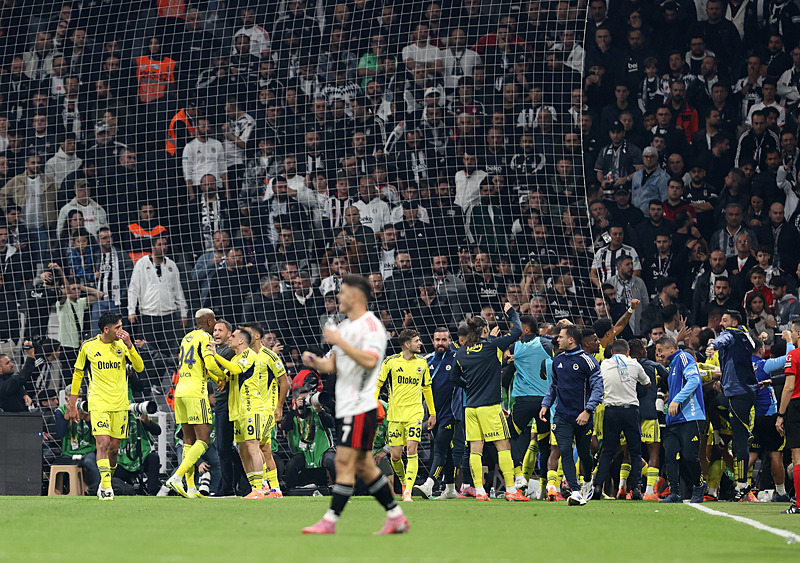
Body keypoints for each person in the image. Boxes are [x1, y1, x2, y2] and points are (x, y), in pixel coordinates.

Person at [301, 274, 408, 535]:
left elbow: (371, 361)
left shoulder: (371, 327)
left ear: (357, 296)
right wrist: (315, 361)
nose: (339, 297)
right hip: (345, 406)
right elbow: (332, 364)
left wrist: (339, 342)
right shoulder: (346, 327)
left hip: (361, 406)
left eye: (343, 292)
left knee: (345, 462)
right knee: (363, 466)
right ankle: (395, 516)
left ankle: (329, 520)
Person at [450, 302, 529, 502]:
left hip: (470, 408)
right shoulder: (493, 346)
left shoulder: (461, 353)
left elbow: (453, 378)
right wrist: (511, 312)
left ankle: (479, 491)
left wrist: (467, 386)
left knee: (475, 449)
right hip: (490, 408)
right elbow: (518, 330)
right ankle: (511, 490)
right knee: (503, 446)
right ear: (485, 329)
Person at [66, 312, 145, 500]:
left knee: (114, 448)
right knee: (103, 443)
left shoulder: (122, 346)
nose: (121, 330)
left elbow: (140, 368)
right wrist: (72, 404)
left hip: (120, 403)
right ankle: (108, 488)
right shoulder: (89, 347)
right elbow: (78, 375)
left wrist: (130, 346)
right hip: (98, 402)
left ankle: (104, 481)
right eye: (117, 327)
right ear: (106, 329)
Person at [540, 324, 603, 505]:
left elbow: (598, 387)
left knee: (584, 454)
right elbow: (553, 387)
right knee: (565, 451)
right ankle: (575, 492)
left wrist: (588, 410)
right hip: (562, 416)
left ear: (571, 339)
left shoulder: (587, 360)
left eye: (560, 336)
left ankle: (587, 481)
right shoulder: (558, 360)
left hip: (582, 417)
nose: (557, 339)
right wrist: (546, 404)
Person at [205, 327, 268, 499]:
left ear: (241, 341)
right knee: (242, 450)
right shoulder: (236, 358)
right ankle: (255, 488)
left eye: (233, 336)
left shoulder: (249, 355)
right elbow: (222, 375)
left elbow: (235, 370)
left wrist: (215, 354)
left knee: (253, 447)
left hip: (251, 408)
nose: (230, 338)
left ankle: (262, 487)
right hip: (238, 412)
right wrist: (207, 362)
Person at [165, 309, 221, 498]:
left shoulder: (186, 338)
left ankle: (190, 488)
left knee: (188, 440)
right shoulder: (205, 338)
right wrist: (221, 377)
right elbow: (211, 364)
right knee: (204, 439)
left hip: (180, 392)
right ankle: (177, 477)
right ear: (209, 321)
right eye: (213, 321)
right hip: (196, 393)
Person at [376, 328, 436, 502]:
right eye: (417, 341)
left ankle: (408, 490)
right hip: (395, 415)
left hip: (415, 414)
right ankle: (404, 482)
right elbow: (378, 385)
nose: (420, 343)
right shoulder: (391, 362)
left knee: (412, 449)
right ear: (407, 344)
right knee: (395, 456)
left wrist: (432, 413)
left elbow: (427, 389)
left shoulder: (422, 363)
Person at [705, 310, 758, 501]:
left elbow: (722, 340)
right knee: (715, 404)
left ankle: (742, 484)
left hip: (739, 394)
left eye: (725, 320)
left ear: (734, 322)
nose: (721, 323)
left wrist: (712, 346)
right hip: (740, 392)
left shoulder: (733, 333)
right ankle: (720, 434)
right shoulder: (746, 335)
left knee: (740, 440)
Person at [592, 339, 651, 500]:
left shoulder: (604, 364)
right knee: (635, 452)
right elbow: (647, 382)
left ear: (611, 352)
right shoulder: (634, 364)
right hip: (630, 411)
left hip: (611, 411)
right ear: (628, 352)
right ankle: (636, 488)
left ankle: (597, 487)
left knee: (608, 451)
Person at [655, 334, 706, 504]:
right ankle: (675, 493)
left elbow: (694, 380)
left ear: (671, 348)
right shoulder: (672, 366)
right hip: (673, 420)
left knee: (689, 456)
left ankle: (699, 486)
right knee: (669, 456)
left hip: (691, 417)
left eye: (660, 350)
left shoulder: (684, 357)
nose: (659, 354)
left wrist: (676, 399)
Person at [507, 314, 554, 496]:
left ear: (525, 330)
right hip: (545, 401)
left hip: (524, 400)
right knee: (544, 445)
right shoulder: (547, 345)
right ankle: (543, 488)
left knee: (510, 437)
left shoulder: (516, 348)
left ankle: (519, 477)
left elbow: (504, 372)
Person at [415, 327, 461, 500]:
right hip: (434, 415)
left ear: (450, 341)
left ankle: (429, 484)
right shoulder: (427, 360)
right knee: (446, 452)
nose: (440, 343)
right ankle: (450, 490)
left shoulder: (457, 358)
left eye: (443, 340)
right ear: (433, 341)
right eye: (437, 340)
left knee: (440, 449)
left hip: (451, 413)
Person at [242, 322, 287, 498]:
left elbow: (284, 381)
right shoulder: (246, 355)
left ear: (257, 336)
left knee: (258, 446)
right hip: (253, 409)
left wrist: (279, 406)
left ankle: (261, 489)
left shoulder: (269, 356)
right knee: (264, 448)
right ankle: (274, 489)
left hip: (266, 408)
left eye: (248, 333)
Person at [749, 333, 793, 502]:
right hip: (769, 415)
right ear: (761, 350)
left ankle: (739, 488)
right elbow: (788, 359)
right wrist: (789, 341)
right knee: (776, 454)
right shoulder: (764, 365)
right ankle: (781, 493)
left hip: (753, 417)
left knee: (752, 454)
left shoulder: (742, 366)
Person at [776, 318, 800, 514]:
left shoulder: (794, 355)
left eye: (792, 332)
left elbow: (789, 387)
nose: (790, 335)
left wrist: (781, 414)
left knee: (797, 457)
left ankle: (798, 504)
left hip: (797, 406)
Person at [0, 342, 35, 412]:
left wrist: (24, 394)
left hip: (22, 417)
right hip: (10, 420)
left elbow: (17, 385)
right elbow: (21, 378)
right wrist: (30, 356)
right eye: (7, 363)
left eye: (10, 361)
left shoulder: (8, 378)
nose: (12, 364)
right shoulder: (2, 384)